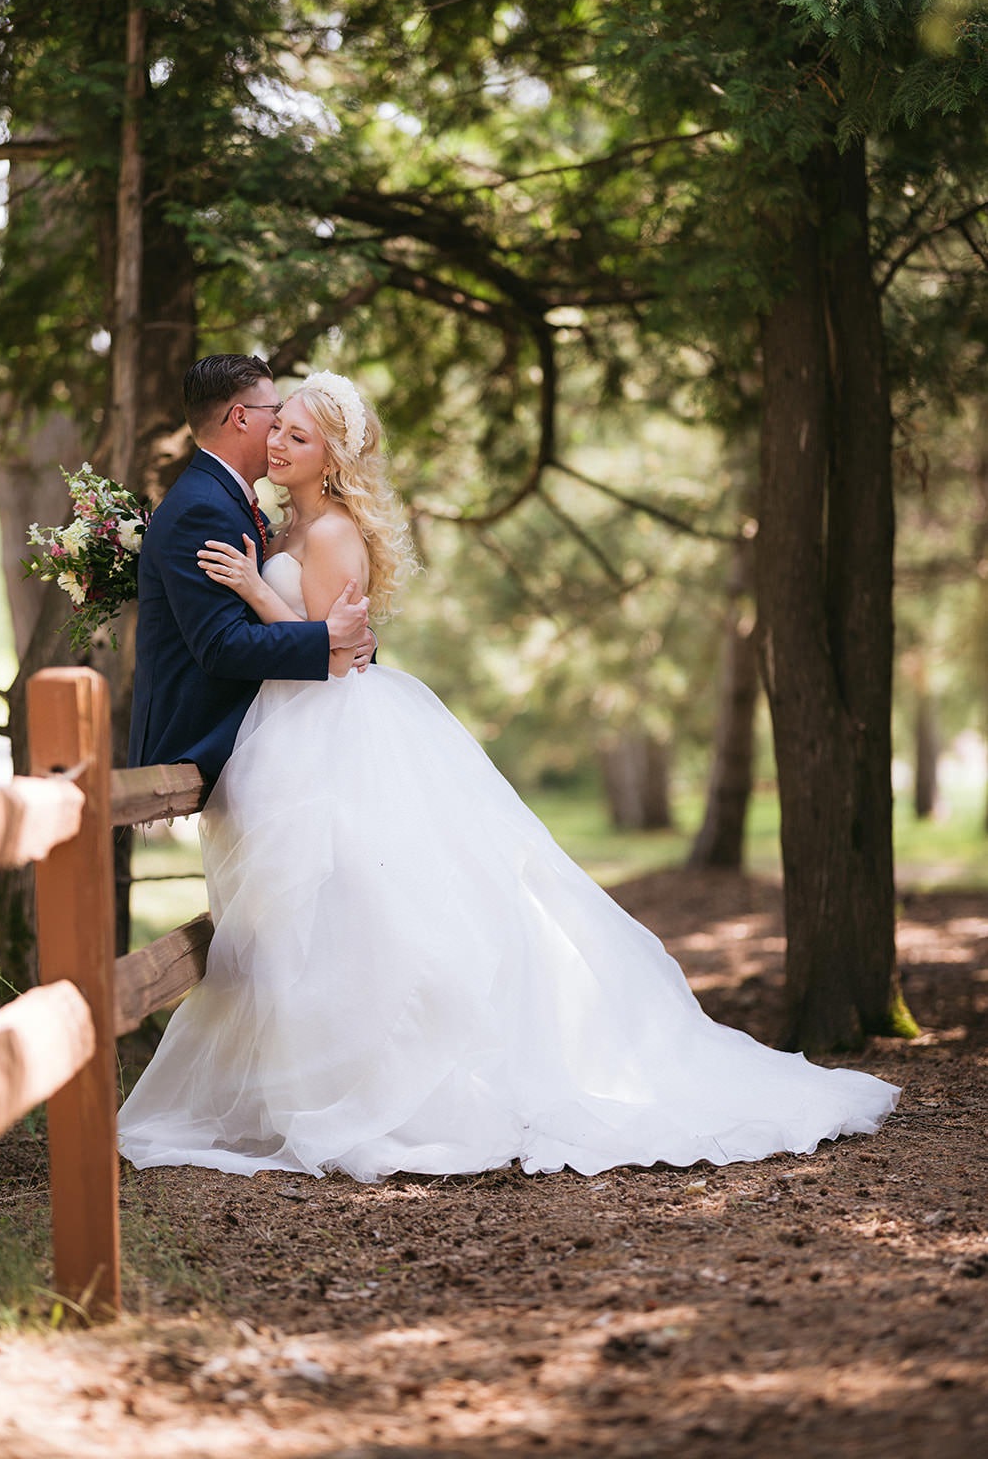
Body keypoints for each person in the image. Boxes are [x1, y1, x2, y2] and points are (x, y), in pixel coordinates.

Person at [118, 370, 899, 1182]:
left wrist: (253, 588)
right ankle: (311, 1082)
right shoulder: (273, 521)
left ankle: (380, 1087)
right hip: (289, 730)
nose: (279, 440)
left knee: (359, 902)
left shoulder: (326, 531)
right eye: (276, 428)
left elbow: (341, 650)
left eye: (298, 434)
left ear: (332, 457)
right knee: (313, 909)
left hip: (332, 727)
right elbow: (318, 638)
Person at [128, 354, 373, 786]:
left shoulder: (233, 503)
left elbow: (318, 604)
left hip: (300, 722)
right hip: (217, 735)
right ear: (240, 417)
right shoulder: (205, 508)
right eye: (275, 416)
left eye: (294, 432)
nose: (277, 434)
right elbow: (222, 644)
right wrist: (330, 638)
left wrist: (354, 641)